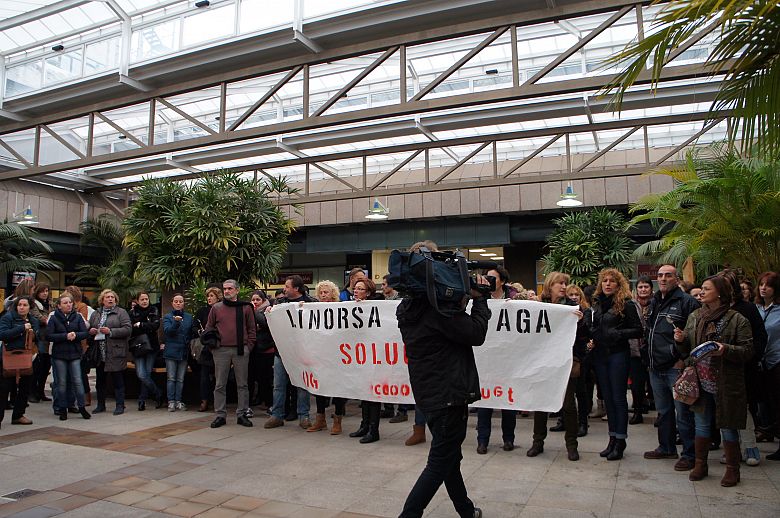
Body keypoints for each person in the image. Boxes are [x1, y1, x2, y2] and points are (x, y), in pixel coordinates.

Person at [397, 240, 490, 518]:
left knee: (450, 458)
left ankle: (466, 510)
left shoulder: (408, 306)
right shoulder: (439, 309)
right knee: (440, 462)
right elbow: (476, 334)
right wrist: (480, 300)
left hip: (429, 392)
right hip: (449, 394)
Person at [674, 275, 752, 486]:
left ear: (719, 292)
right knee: (701, 424)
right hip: (700, 380)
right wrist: (680, 340)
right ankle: (701, 464)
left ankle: (732, 469)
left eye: (706, 289)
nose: (701, 292)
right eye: (701, 289)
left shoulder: (737, 319)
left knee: (728, 425)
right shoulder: (695, 316)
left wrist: (725, 349)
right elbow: (688, 351)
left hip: (726, 382)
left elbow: (748, 350)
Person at [643, 265, 700, 471]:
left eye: (668, 275)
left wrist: (684, 359)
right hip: (655, 366)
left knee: (683, 414)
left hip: (676, 367)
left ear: (676, 279)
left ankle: (689, 454)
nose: (663, 279)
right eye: (660, 276)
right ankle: (666, 447)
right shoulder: (655, 300)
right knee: (664, 412)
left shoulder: (687, 302)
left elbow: (695, 335)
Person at [526, 272, 586, 461]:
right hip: (542, 362)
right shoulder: (538, 306)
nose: (563, 286)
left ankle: (571, 445)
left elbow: (583, 336)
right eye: (559, 283)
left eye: (565, 283)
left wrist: (580, 321)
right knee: (540, 403)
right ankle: (538, 442)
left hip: (564, 362)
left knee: (568, 404)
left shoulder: (571, 308)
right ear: (550, 285)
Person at [588, 268, 643, 461]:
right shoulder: (597, 304)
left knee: (619, 398)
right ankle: (612, 438)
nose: (608, 284)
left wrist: (618, 334)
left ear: (619, 285)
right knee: (608, 399)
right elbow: (594, 326)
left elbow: (638, 330)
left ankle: (621, 440)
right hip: (600, 355)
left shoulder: (626, 304)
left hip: (618, 354)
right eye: (605, 281)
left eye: (612, 281)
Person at [720, 269, 767, 465]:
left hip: (743, 366)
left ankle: (750, 446)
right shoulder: (712, 309)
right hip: (719, 366)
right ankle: (731, 450)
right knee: (722, 408)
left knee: (742, 408)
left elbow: (760, 338)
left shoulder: (746, 308)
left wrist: (747, 356)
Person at [476, 267, 518, 454]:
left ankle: (508, 439)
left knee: (508, 402)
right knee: (485, 403)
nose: (489, 280)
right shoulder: (479, 299)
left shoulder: (515, 300)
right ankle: (482, 440)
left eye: (493, 278)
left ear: (502, 280)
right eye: (487, 277)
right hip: (486, 360)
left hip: (508, 360)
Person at [264, 275, 315, 430]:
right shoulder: (279, 303)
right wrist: (269, 312)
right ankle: (277, 415)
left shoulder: (311, 304)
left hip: (302, 352)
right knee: (278, 385)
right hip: (282, 352)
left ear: (296, 289)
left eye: (287, 286)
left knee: (303, 385)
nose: (284, 289)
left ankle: (303, 415)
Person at [206, 279, 256, 428]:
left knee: (242, 384)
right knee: (220, 384)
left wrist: (249, 347)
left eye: (230, 289)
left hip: (241, 349)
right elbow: (209, 328)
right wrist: (213, 347)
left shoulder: (246, 307)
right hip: (221, 350)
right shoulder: (216, 308)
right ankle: (220, 415)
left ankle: (242, 414)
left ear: (237, 290)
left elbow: (252, 329)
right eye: (225, 289)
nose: (227, 291)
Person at [306, 280, 348, 434]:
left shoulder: (342, 308)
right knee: (319, 388)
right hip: (321, 355)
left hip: (337, 356)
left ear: (333, 294)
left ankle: (338, 420)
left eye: (326, 292)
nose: (323, 295)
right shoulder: (314, 309)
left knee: (338, 389)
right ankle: (320, 419)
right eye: (321, 293)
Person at [349, 277, 385, 443]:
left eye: (360, 289)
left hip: (374, 356)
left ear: (369, 292)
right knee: (364, 393)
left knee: (373, 395)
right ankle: (364, 425)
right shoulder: (351, 306)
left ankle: (373, 429)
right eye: (355, 288)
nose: (356, 291)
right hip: (360, 356)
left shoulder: (377, 306)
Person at [47, 293, 91, 421]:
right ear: (59, 306)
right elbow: (49, 335)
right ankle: (62, 408)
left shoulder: (77, 317)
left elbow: (85, 333)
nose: (68, 305)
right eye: (65, 303)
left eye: (70, 302)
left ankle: (81, 406)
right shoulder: (54, 317)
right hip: (59, 353)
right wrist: (64, 336)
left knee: (77, 380)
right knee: (61, 382)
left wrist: (75, 335)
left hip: (75, 353)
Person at [88, 289, 132, 415]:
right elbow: (91, 328)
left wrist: (111, 331)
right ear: (102, 300)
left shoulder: (121, 312)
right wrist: (91, 331)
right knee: (100, 380)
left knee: (118, 379)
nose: (110, 299)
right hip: (100, 351)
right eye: (107, 297)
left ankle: (120, 405)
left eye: (112, 297)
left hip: (115, 351)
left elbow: (128, 329)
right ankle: (101, 405)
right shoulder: (96, 313)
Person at [0, 296, 39, 426]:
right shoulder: (8, 317)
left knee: (24, 388)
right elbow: (3, 334)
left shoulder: (33, 320)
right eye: (19, 305)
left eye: (25, 305)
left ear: (29, 307)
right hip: (9, 357)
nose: (22, 307)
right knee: (4, 389)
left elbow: (36, 337)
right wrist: (22, 328)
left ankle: (18, 415)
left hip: (26, 358)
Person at [756, 272, 780, 460]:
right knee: (767, 404)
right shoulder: (757, 308)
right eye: (761, 284)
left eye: (768, 285)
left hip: (777, 361)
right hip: (761, 363)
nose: (764, 288)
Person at [129, 292, 164, 411]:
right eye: (142, 299)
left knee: (147, 373)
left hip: (152, 347)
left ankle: (142, 400)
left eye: (146, 299)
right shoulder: (132, 312)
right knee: (141, 374)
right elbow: (130, 328)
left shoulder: (153, 310)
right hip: (138, 346)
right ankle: (158, 392)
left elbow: (155, 325)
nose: (145, 301)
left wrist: (141, 324)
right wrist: (142, 326)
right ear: (137, 301)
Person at [568, 284, 593, 437]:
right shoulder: (564, 309)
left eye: (577, 294)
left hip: (579, 355)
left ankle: (583, 423)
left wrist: (581, 321)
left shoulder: (586, 312)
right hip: (565, 354)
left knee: (580, 391)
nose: (574, 297)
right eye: (571, 294)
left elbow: (588, 332)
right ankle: (564, 421)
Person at [629, 276, 654, 425]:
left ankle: (651, 403)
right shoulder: (632, 305)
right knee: (637, 383)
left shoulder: (656, 303)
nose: (643, 289)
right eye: (640, 287)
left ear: (651, 289)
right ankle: (638, 410)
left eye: (646, 287)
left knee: (653, 381)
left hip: (652, 349)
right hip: (635, 349)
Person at [163, 294, 194, 412]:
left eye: (180, 301)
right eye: (176, 301)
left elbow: (190, 333)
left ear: (183, 303)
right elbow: (167, 332)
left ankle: (178, 401)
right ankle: (171, 401)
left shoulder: (189, 317)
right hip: (171, 352)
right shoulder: (168, 317)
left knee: (180, 378)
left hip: (183, 352)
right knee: (171, 378)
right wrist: (175, 322)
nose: (178, 303)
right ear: (172, 303)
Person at [194, 286, 221, 412]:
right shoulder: (202, 311)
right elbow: (194, 326)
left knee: (219, 376)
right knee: (204, 376)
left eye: (212, 296)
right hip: (206, 347)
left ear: (218, 297)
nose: (209, 298)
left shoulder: (222, 310)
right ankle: (204, 401)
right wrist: (201, 332)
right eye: (208, 296)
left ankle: (218, 402)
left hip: (219, 346)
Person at [250, 290, 274, 413]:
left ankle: (270, 403)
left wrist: (254, 313)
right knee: (259, 378)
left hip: (267, 349)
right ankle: (263, 400)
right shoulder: (251, 312)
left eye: (258, 300)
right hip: (255, 349)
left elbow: (265, 324)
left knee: (267, 378)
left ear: (263, 300)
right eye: (253, 300)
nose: (255, 302)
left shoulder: (268, 310)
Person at [29, 283, 52, 403]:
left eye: (47, 291)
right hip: (40, 338)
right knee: (38, 365)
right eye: (42, 291)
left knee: (46, 366)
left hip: (49, 338)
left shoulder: (50, 303)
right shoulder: (33, 304)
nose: (45, 293)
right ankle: (32, 392)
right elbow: (38, 317)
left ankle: (41, 391)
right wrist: (49, 320)